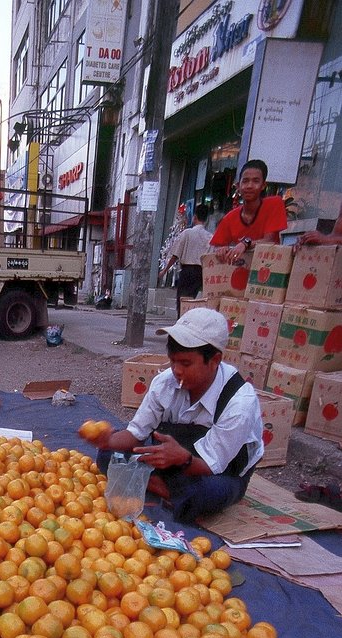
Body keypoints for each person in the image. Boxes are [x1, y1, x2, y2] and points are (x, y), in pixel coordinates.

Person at [89, 307, 264, 523]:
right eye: (173, 361)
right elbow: (136, 433)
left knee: (205, 495)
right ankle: (168, 488)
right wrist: (107, 441)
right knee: (108, 456)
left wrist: (183, 458)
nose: (176, 370)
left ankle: (151, 482)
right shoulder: (164, 384)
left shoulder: (239, 404)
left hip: (218, 471)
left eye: (186, 363)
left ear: (215, 360)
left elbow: (211, 465)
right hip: (170, 461)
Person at [210, 160, 287, 264]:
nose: (250, 186)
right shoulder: (229, 218)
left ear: (263, 185)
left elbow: (269, 241)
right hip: (239, 274)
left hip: (268, 270)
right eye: (245, 181)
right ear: (238, 186)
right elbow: (216, 247)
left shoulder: (274, 203)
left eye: (255, 181)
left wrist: (245, 243)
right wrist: (221, 250)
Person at [159, 204, 213, 317]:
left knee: (182, 301)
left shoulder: (187, 233)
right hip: (201, 272)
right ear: (206, 219)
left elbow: (175, 254)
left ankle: (180, 325)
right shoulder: (210, 237)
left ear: (194, 217)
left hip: (187, 271)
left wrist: (165, 270)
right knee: (192, 300)